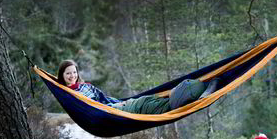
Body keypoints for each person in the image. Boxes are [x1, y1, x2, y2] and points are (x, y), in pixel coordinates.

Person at [57, 60, 219, 114]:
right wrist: (116, 106)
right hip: (111, 112)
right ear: (62, 76)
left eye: (74, 73)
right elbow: (93, 108)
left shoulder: (85, 86)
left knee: (149, 100)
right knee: (150, 105)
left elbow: (103, 98)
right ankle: (198, 95)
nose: (72, 76)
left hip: (117, 106)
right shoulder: (70, 94)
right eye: (68, 74)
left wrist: (119, 103)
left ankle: (196, 94)